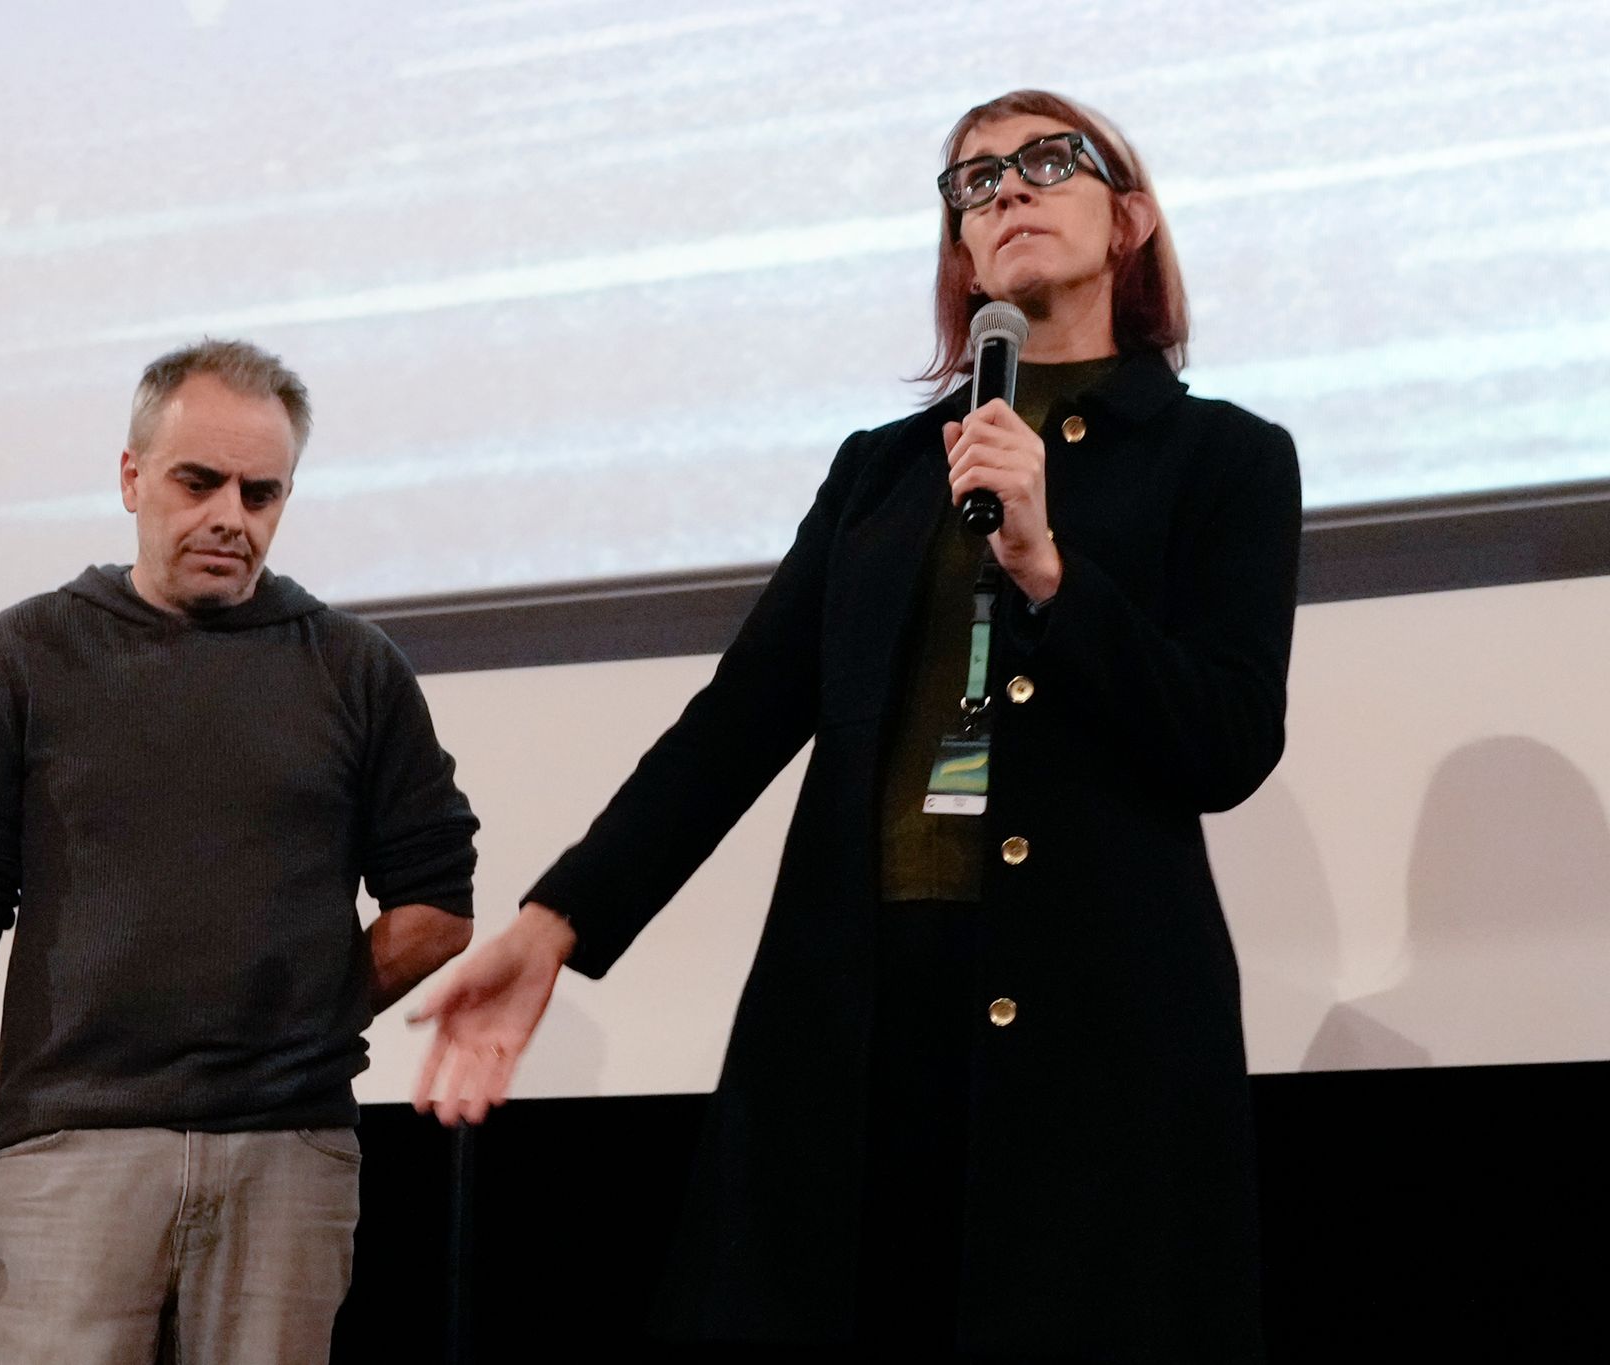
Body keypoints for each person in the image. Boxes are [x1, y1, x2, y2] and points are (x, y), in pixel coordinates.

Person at [412, 91, 1300, 1364]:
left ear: (1130, 219)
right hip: (860, 1014)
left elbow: (1224, 741)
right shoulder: (883, 470)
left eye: (1049, 162)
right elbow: (737, 720)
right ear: (959, 250)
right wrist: (559, 922)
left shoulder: (1223, 460)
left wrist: (1052, 570)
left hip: (1090, 1031)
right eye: (971, 180)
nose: (1005, 189)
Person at [0, 339, 480, 1364]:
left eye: (262, 493)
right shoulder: (29, 652)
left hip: (287, 1153)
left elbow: (435, 904)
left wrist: (308, 1006)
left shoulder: (352, 667)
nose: (230, 516)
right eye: (198, 481)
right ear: (131, 477)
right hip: (69, 1148)